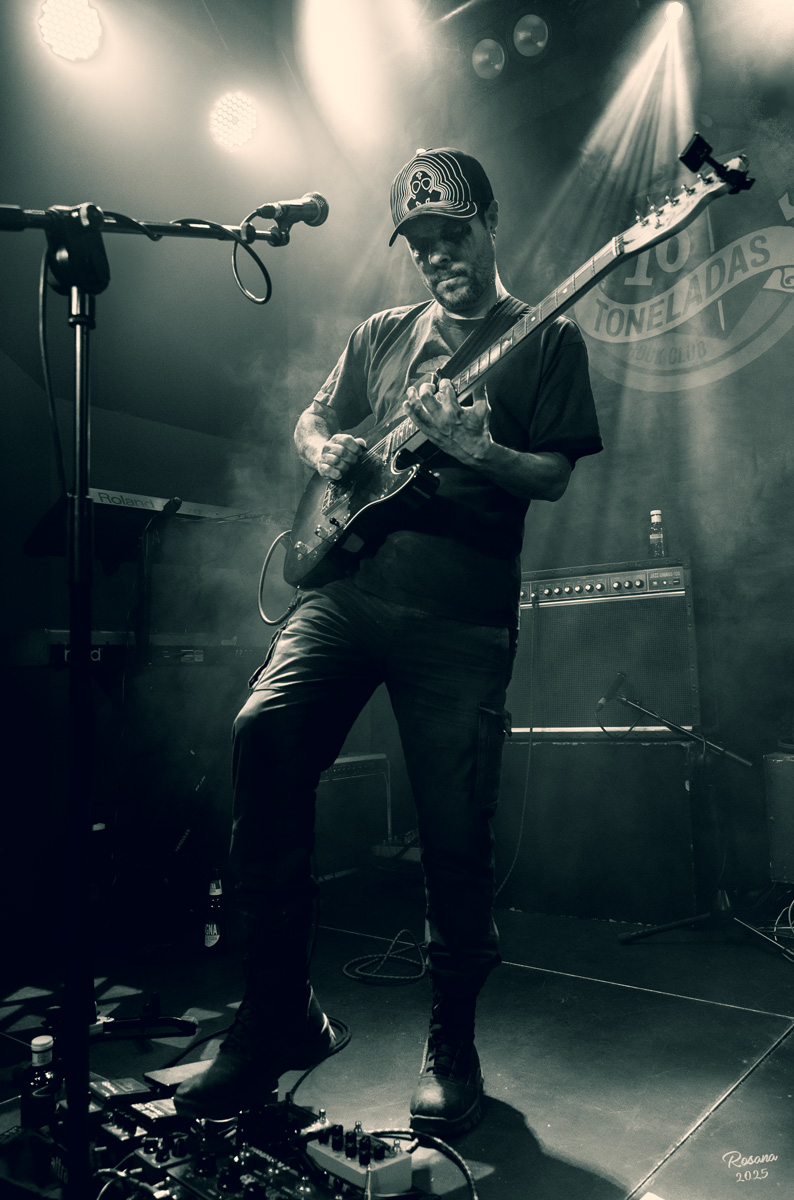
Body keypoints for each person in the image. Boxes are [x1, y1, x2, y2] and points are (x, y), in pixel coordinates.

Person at [175, 147, 603, 1136]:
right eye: (420, 242)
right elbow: (313, 416)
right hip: (348, 591)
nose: (436, 254)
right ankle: (276, 1014)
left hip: (459, 618)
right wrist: (323, 447)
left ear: (489, 223)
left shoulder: (546, 335)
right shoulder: (380, 333)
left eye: (451, 233)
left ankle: (451, 1042)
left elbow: (549, 475)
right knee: (262, 733)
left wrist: (475, 448)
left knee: (453, 831)